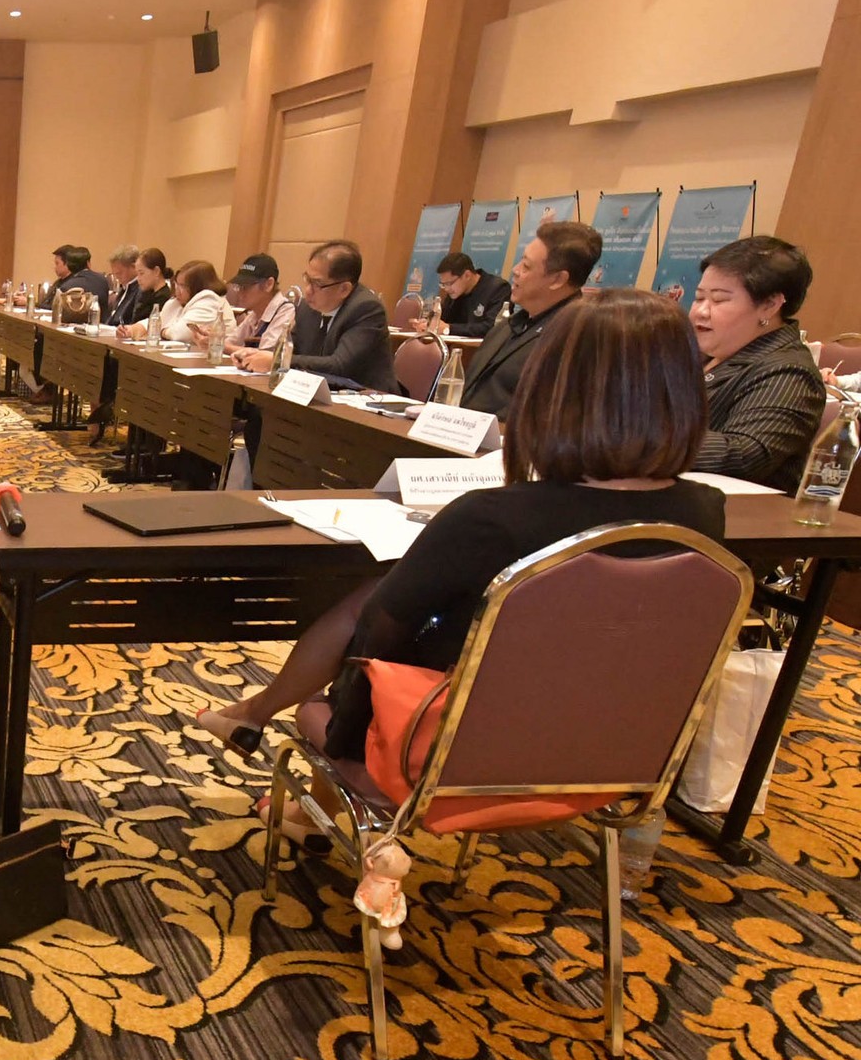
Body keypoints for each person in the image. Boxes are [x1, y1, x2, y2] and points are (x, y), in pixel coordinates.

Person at [193, 290, 724, 775]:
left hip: (454, 749)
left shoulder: (492, 517)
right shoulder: (704, 513)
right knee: (379, 600)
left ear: (552, 390)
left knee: (364, 626)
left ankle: (290, 744)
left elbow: (378, 640)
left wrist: (344, 732)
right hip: (610, 752)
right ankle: (266, 735)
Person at [690, 236, 823, 491]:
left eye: (718, 300)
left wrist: (642, 441)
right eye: (698, 298)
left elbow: (745, 453)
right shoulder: (694, 353)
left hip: (739, 510)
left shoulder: (789, 371)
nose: (701, 311)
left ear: (769, 305)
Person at [458, 221, 600, 418]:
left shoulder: (576, 340)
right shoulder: (507, 327)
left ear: (558, 279)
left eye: (526, 266)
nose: (515, 270)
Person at [235, 240, 397, 392]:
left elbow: (339, 366)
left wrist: (276, 361)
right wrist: (254, 355)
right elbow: (291, 350)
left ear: (344, 289)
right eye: (307, 279)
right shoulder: (307, 307)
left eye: (317, 284)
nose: (307, 290)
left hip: (368, 399)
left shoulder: (366, 309)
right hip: (317, 392)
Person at [128, 259, 235, 343]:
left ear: (198, 286)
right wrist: (132, 329)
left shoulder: (209, 300)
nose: (177, 291)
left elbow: (180, 334)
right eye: (176, 284)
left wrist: (161, 331)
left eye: (183, 286)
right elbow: (158, 319)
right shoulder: (179, 302)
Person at [419, 252, 509, 339]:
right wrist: (429, 324)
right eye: (443, 284)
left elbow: (493, 327)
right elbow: (442, 319)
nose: (446, 289)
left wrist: (448, 329)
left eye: (449, 283)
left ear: (467, 275)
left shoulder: (498, 289)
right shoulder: (455, 292)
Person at [225, 253, 297, 356]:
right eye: (239, 286)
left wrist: (220, 345)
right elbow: (231, 342)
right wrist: (212, 340)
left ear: (268, 284)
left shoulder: (285, 311)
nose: (240, 292)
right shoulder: (254, 313)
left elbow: (265, 355)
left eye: (246, 286)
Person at [106, 246, 148, 327]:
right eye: (114, 274)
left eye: (119, 273)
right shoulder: (124, 288)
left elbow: (132, 321)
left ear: (134, 267)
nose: (116, 277)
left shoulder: (141, 289)